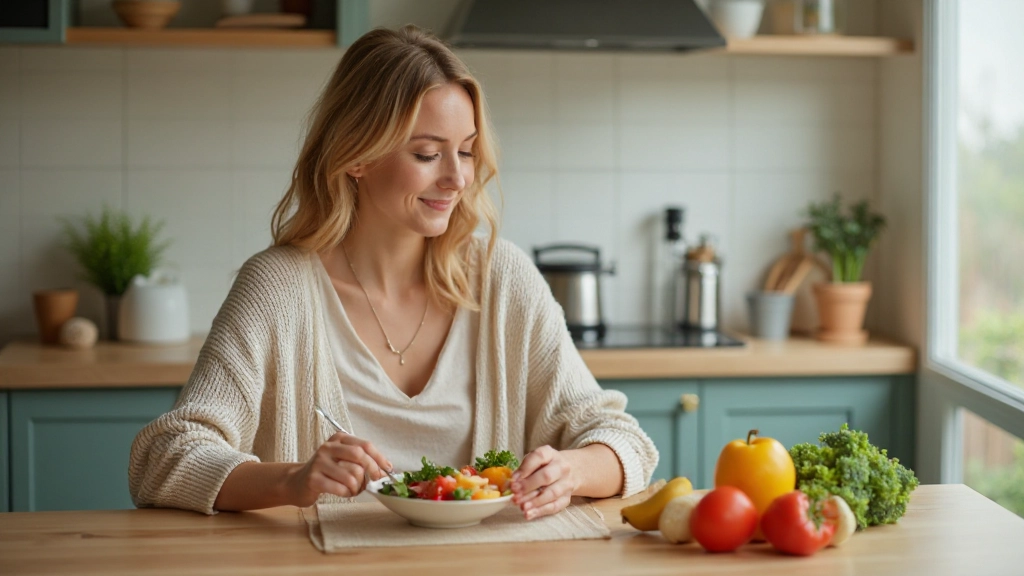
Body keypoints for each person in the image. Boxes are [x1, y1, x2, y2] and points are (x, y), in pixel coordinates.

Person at [128, 25, 658, 520]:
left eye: (467, 152)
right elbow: (164, 459)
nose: (457, 178)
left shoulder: (501, 278)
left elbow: (623, 440)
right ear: (357, 156)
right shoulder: (278, 289)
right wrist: (292, 481)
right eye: (427, 153)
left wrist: (572, 471)